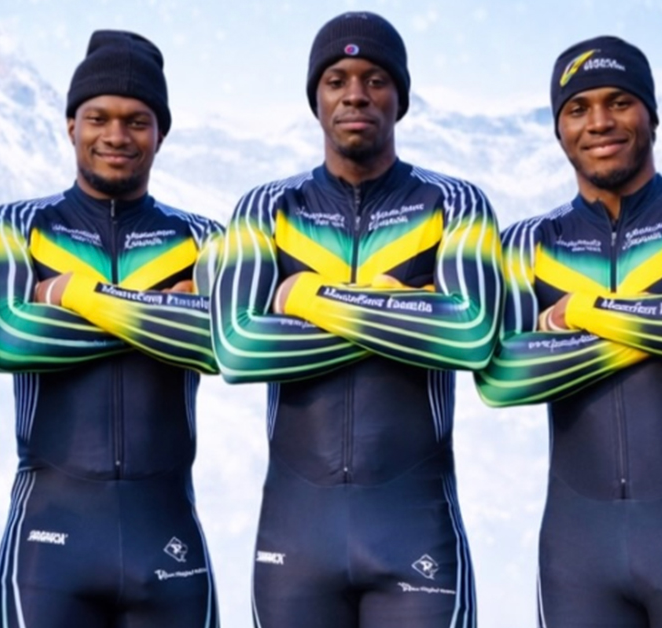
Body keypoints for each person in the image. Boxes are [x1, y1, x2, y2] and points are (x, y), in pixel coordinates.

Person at [476, 35, 662, 627]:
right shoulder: (525, 245)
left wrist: (583, 312)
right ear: (559, 129)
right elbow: (503, 374)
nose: (599, 122)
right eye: (578, 108)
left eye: (619, 101)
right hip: (576, 562)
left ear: (652, 114)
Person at [211, 12, 502, 627]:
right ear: (315, 98)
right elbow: (236, 347)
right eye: (336, 80)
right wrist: (403, 307)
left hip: (414, 529)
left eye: (375, 79)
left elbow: (472, 335)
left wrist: (307, 297)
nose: (355, 95)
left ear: (400, 97)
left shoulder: (454, 204)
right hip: (295, 538)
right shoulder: (266, 209)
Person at [0, 30, 222, 628]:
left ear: (161, 133)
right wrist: (159, 314)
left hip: (167, 537)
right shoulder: (15, 226)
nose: (116, 136)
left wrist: (68, 294)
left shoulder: (206, 239)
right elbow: (8, 339)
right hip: (48, 542)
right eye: (98, 118)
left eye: (137, 121)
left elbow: (226, 346)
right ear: (70, 126)